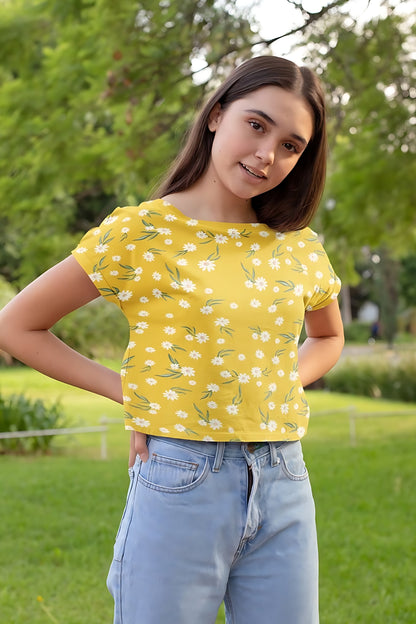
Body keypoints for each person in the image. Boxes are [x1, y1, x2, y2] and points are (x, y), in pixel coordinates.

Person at [0, 55, 344, 623]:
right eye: (256, 125)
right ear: (215, 116)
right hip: (181, 477)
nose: (267, 154)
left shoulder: (298, 245)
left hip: (285, 479)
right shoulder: (141, 233)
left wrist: (276, 380)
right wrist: (134, 394)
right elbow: (17, 325)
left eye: (291, 145)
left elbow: (328, 338)